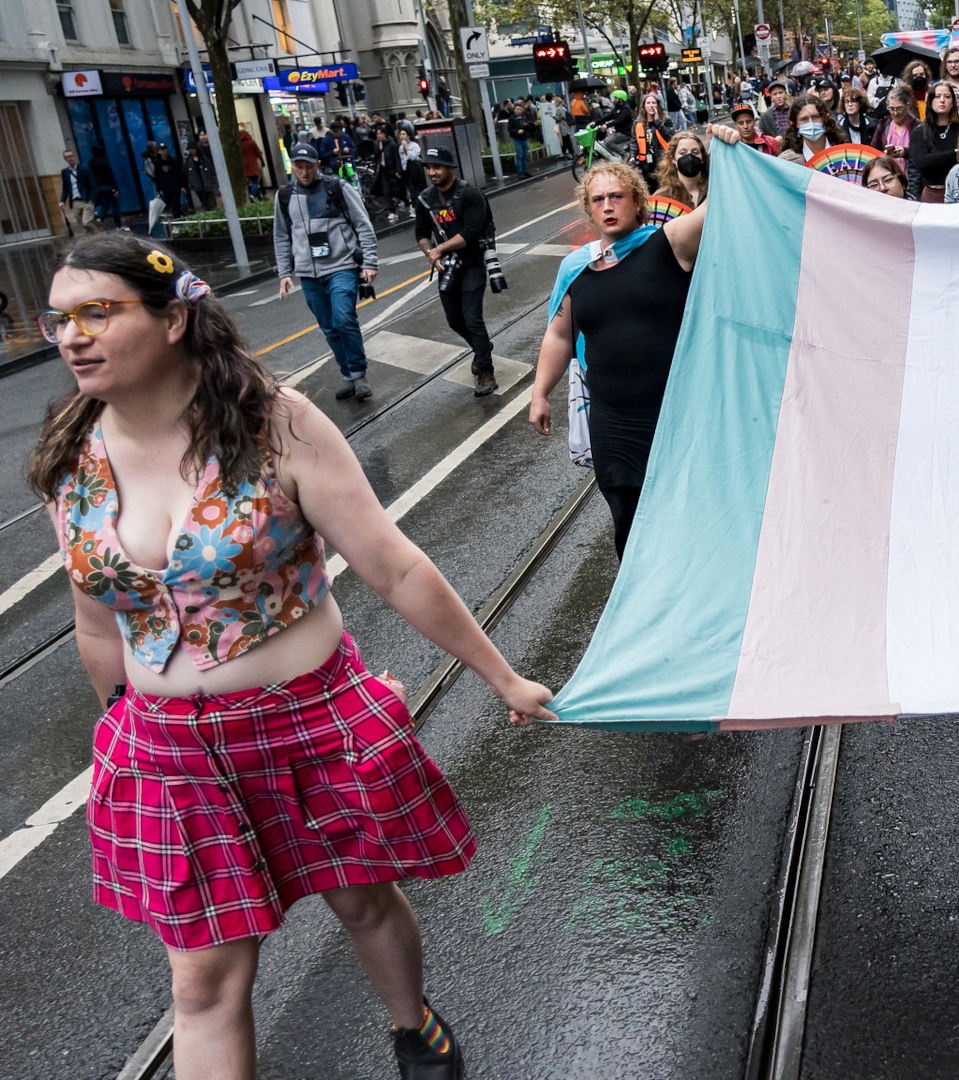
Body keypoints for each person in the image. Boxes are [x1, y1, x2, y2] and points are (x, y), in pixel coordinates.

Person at [34, 233, 555, 1080]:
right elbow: (98, 623)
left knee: (360, 898)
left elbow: (392, 563)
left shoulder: (275, 423)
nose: (71, 336)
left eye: (98, 312)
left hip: (306, 722)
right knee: (201, 980)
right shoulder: (73, 453)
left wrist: (504, 676)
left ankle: (410, 1027)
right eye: (60, 320)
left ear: (171, 319)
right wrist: (120, 732)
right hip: (172, 748)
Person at [529, 129, 745, 556]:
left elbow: (728, 203)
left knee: (688, 518)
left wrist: (726, 149)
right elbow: (558, 334)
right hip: (615, 423)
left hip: (678, 413)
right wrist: (539, 393)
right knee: (628, 524)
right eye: (598, 200)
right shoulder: (577, 268)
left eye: (617, 196)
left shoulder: (670, 242)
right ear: (587, 211)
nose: (608, 205)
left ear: (638, 200)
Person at [274, 143, 380, 401]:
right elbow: (281, 235)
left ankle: (359, 373)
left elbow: (363, 225)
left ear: (317, 165)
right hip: (308, 274)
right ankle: (348, 374)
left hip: (341, 266)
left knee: (344, 318)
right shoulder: (285, 196)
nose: (304, 172)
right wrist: (284, 272)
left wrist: (369, 262)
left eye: (309, 167)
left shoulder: (337, 187)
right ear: (293, 167)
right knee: (329, 328)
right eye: (299, 167)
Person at [414, 146, 499, 397]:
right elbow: (420, 234)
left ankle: (485, 371)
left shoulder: (470, 194)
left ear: (451, 168)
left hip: (472, 264)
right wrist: (431, 253)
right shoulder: (424, 199)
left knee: (472, 318)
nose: (432, 172)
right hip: (446, 268)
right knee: (454, 320)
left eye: (437, 167)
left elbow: (472, 232)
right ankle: (482, 347)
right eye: (429, 167)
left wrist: (439, 249)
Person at [908, 83, 959, 202]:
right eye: (937, 96)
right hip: (931, 193)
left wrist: (936, 159)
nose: (942, 100)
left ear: (953, 102)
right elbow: (922, 162)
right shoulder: (919, 132)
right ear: (931, 101)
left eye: (947, 97)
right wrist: (955, 153)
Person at [777, 94, 848, 164]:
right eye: (804, 119)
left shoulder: (845, 152)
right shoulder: (788, 160)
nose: (811, 123)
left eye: (815, 117)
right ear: (796, 124)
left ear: (824, 118)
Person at [654, 129, 709, 208]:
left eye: (695, 152)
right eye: (683, 153)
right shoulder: (663, 197)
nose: (689, 157)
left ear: (703, 158)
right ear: (673, 158)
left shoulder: (713, 188)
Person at [878, 86, 921, 169]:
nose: (895, 113)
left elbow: (921, 151)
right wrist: (884, 154)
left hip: (911, 175)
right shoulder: (883, 124)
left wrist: (905, 152)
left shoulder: (916, 125)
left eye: (899, 108)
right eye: (891, 109)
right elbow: (873, 151)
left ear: (907, 106)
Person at [59, 149, 95, 236]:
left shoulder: (84, 168)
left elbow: (93, 184)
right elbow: (65, 188)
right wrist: (62, 201)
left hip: (86, 199)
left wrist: (92, 199)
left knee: (87, 223)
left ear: (74, 157)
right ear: (65, 159)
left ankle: (100, 238)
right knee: (82, 224)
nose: (70, 158)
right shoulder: (65, 172)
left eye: (71, 156)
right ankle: (91, 240)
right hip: (75, 201)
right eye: (67, 157)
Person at [87, 146, 122, 231]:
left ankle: (99, 219)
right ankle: (118, 226)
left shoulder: (90, 163)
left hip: (97, 188)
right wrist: (115, 188)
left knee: (104, 206)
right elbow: (110, 176)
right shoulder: (104, 162)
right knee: (115, 206)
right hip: (107, 187)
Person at [238, 127, 264, 199]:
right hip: (252, 165)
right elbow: (258, 153)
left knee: (248, 183)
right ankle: (255, 196)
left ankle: (250, 196)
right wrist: (262, 163)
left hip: (243, 166)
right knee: (254, 181)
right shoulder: (251, 143)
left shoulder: (238, 145)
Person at [508, 106, 534, 177]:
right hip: (517, 139)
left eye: (520, 109)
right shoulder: (512, 119)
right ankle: (520, 172)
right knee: (520, 156)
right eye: (517, 109)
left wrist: (527, 126)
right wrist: (517, 131)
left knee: (525, 156)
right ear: (514, 110)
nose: (519, 110)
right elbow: (510, 129)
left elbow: (529, 128)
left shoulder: (524, 118)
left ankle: (525, 171)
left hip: (524, 138)